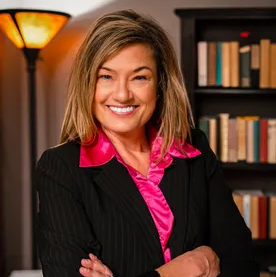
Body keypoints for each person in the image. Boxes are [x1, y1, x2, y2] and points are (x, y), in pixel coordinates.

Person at [35, 9, 259, 277]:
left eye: (139, 77)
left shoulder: (194, 149)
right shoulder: (61, 168)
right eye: (106, 76)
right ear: (87, 83)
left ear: (160, 85)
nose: (122, 94)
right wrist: (188, 268)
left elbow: (243, 265)